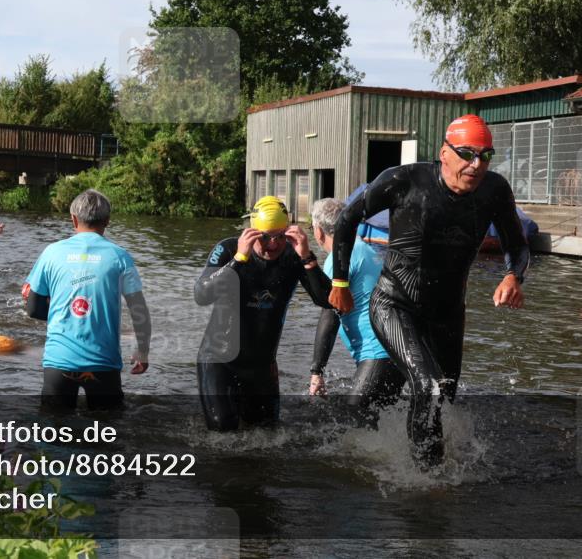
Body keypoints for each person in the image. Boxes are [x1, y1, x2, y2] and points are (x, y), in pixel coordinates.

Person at [329, 114, 529, 468]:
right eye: (467, 153)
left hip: (448, 313)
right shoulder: (403, 181)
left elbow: (518, 243)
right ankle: (426, 478)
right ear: (444, 153)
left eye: (485, 155)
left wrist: (513, 276)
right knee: (430, 385)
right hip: (395, 304)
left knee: (445, 397)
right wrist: (340, 282)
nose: (476, 164)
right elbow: (347, 219)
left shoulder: (494, 190)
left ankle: (414, 451)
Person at [195, 196, 332, 431]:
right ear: (252, 232)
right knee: (221, 430)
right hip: (219, 360)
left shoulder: (293, 256)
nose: (273, 244)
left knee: (268, 434)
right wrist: (239, 259)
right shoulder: (229, 249)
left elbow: (327, 301)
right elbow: (202, 294)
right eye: (265, 237)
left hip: (262, 365)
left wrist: (308, 258)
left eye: (280, 236)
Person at [22, 189, 150, 411]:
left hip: (59, 361)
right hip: (103, 362)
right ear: (107, 221)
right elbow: (139, 310)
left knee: (52, 434)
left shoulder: (51, 252)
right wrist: (143, 351)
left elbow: (33, 309)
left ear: (73, 218)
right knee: (107, 434)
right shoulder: (120, 256)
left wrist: (60, 315)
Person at [307, 198, 404, 425]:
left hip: (378, 353)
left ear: (318, 232)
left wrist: (316, 371)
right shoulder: (364, 249)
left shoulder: (340, 258)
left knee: (354, 424)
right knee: (378, 427)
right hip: (395, 351)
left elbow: (330, 314)